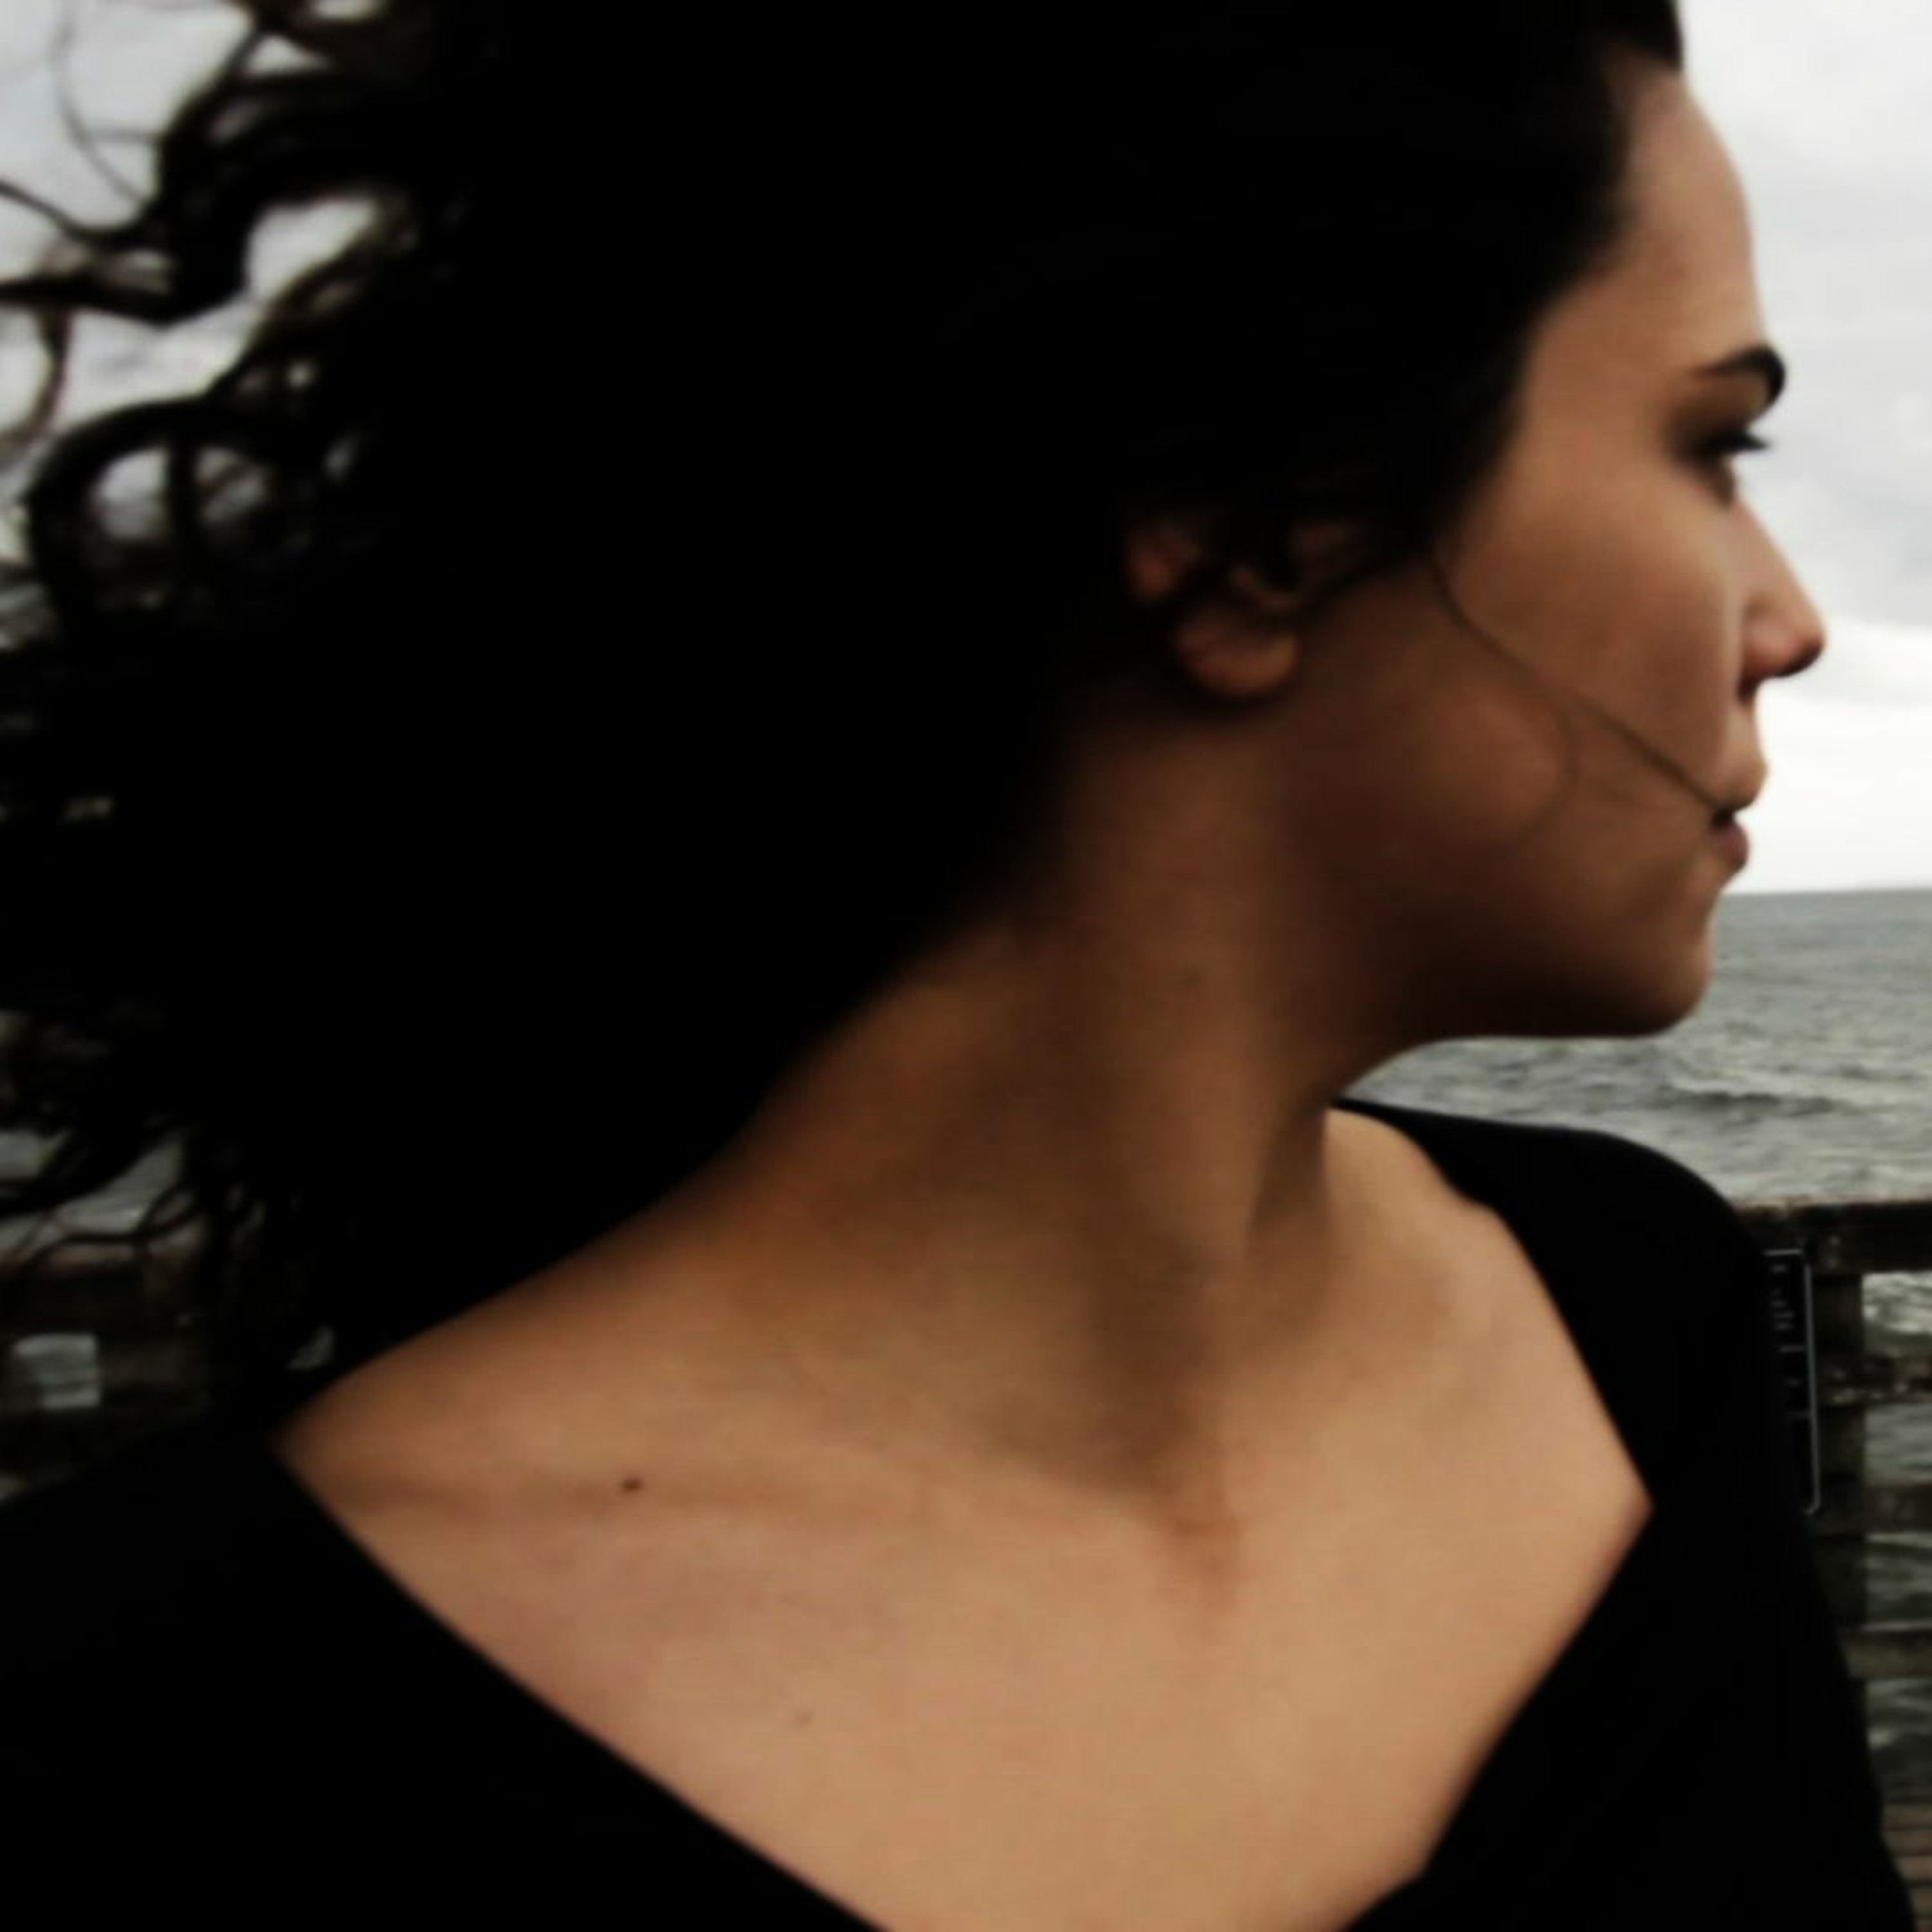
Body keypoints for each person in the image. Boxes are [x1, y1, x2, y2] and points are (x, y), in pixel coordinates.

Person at [0, 1, 1912, 1924]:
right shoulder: (159, 1738)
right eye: (1711, 444)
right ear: (1250, 525)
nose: (1792, 620)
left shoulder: (1633, 1313)